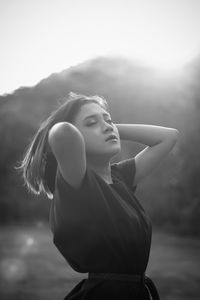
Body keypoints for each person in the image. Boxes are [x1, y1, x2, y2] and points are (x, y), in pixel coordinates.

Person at [20, 92, 179, 299]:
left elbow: (169, 136)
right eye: (91, 123)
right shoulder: (77, 183)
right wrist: (100, 126)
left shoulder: (121, 177)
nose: (106, 126)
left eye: (108, 119)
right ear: (77, 136)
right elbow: (62, 133)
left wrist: (109, 127)